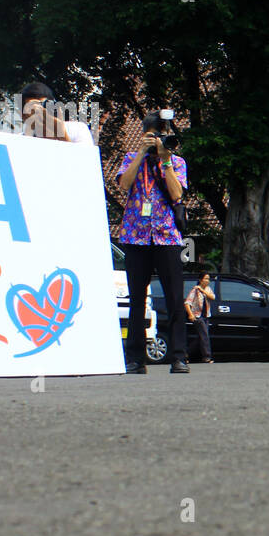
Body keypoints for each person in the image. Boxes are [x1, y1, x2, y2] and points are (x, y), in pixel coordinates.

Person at [116, 111, 190, 374]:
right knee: (136, 298)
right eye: (153, 134)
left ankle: (179, 357)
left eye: (163, 135)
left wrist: (165, 160)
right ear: (145, 134)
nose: (158, 139)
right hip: (136, 236)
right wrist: (140, 154)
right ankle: (135, 359)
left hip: (166, 236)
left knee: (174, 297)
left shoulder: (177, 162)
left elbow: (177, 193)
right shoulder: (130, 159)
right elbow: (124, 185)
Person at [186, 272, 215, 363]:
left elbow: (212, 297)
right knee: (205, 335)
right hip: (198, 316)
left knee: (200, 337)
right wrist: (190, 314)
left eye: (208, 279)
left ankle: (185, 354)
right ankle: (207, 357)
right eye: (205, 278)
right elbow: (187, 303)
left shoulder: (208, 289)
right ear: (200, 280)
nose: (207, 281)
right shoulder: (195, 290)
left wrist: (202, 290)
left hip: (206, 316)